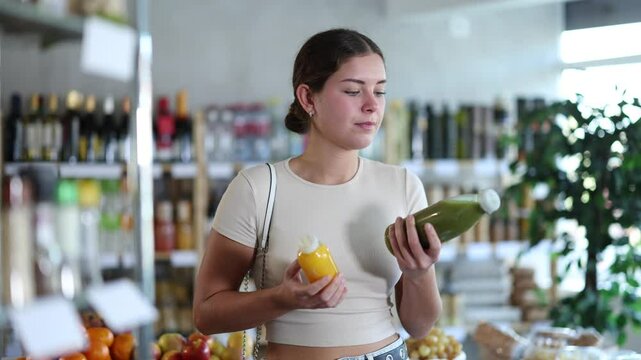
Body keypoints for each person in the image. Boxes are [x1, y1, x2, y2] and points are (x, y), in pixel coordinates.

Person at [193, 28, 442, 360]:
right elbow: (206, 314)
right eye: (353, 91)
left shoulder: (403, 185)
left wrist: (419, 274)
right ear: (308, 98)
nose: (372, 106)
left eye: (380, 92)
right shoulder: (257, 188)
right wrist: (283, 298)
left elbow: (420, 325)